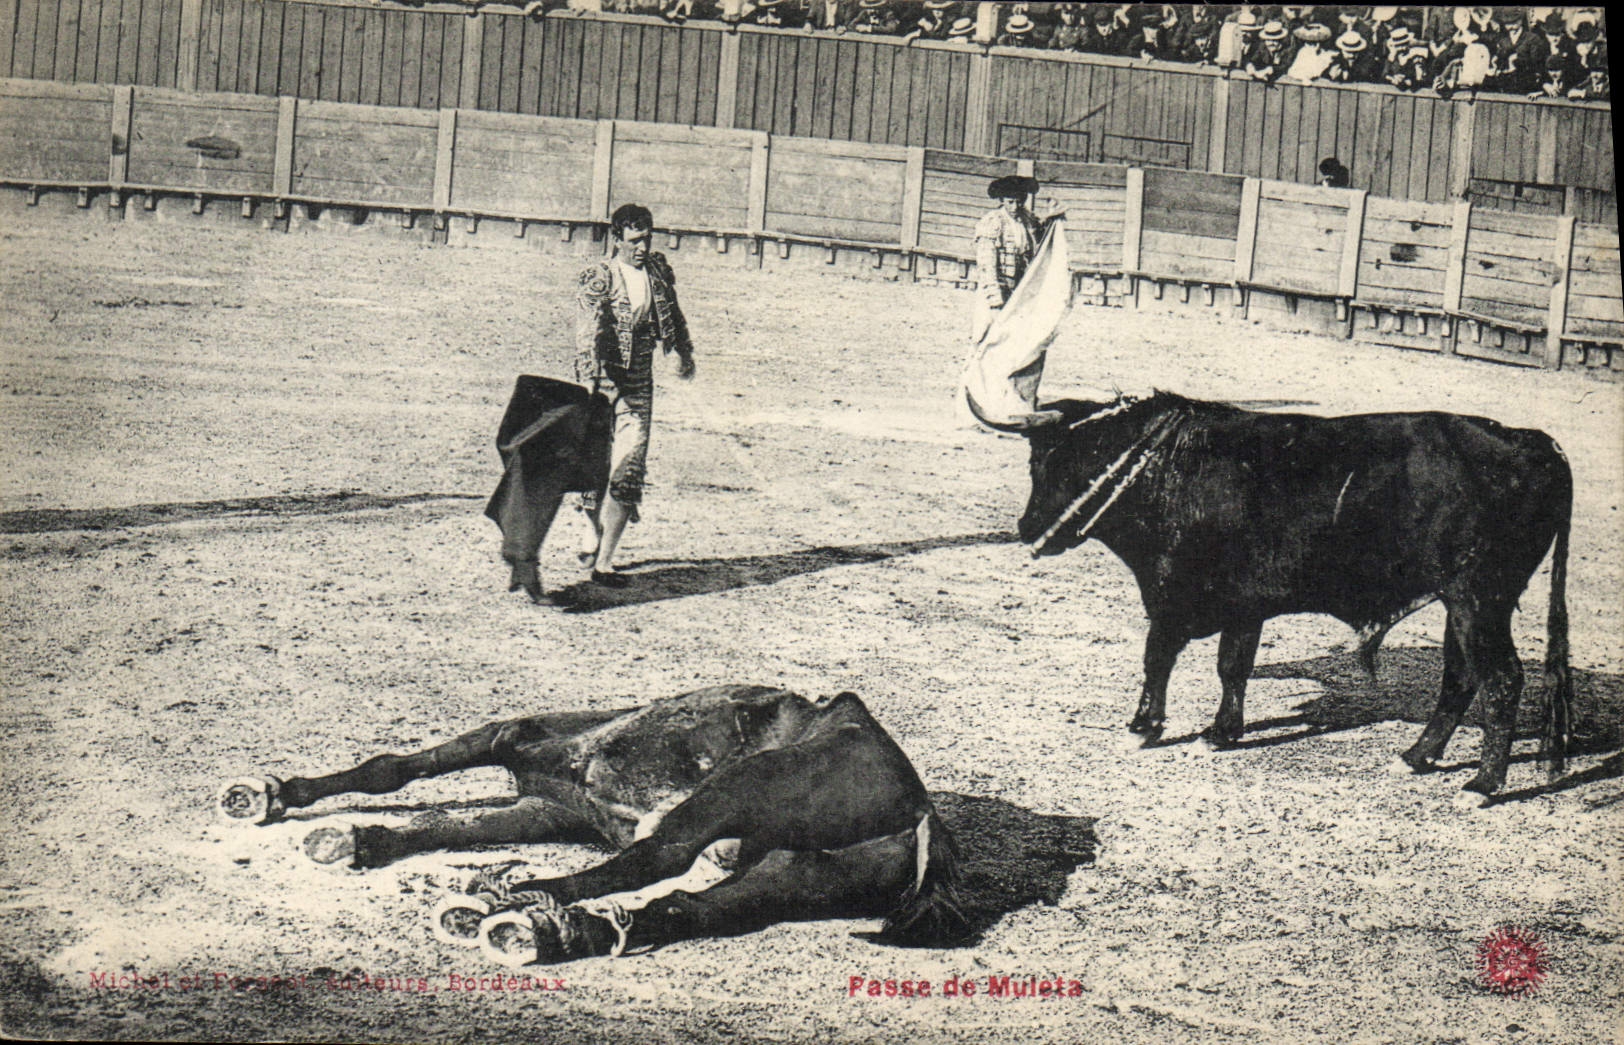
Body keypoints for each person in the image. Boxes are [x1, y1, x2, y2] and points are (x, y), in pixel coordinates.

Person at [574, 204, 696, 587]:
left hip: (639, 382)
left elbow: (674, 315)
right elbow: (587, 328)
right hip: (603, 382)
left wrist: (684, 352)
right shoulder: (600, 276)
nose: (642, 248)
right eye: (634, 240)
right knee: (593, 468)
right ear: (616, 239)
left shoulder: (657, 271)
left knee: (629, 468)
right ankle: (588, 531)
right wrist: (588, 375)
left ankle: (605, 562)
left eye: (646, 239)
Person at [971, 174, 1043, 344]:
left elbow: (1043, 238)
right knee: (986, 335)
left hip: (1019, 289)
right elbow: (986, 265)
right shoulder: (992, 222)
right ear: (1002, 200)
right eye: (1011, 202)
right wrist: (994, 299)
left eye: (1020, 201)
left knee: (1015, 339)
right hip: (997, 288)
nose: (1015, 206)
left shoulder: (1027, 220)